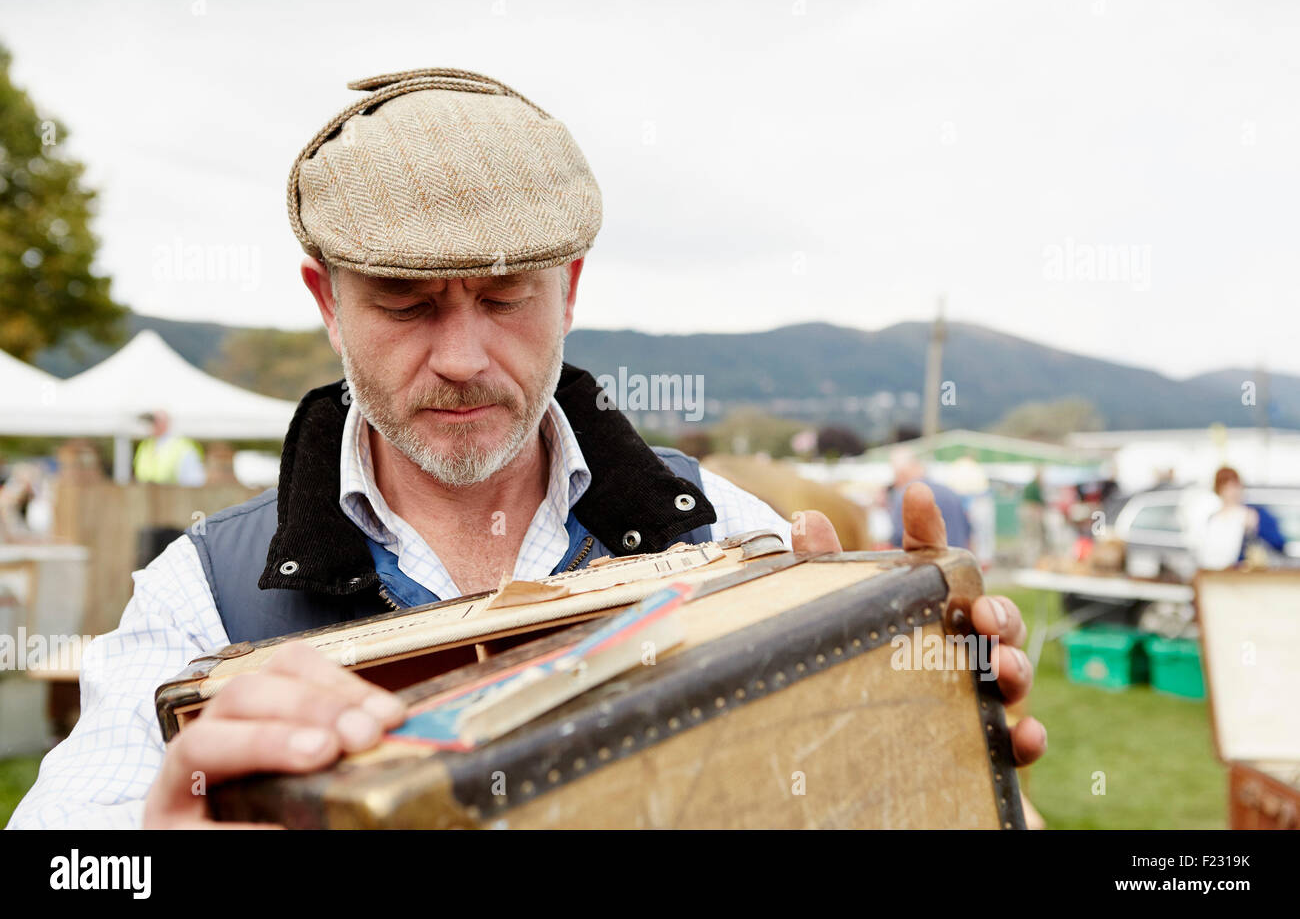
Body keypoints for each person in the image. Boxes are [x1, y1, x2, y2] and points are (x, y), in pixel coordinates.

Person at [9, 68, 1043, 829]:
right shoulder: (197, 594)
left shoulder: (742, 537)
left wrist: (927, 741)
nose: (462, 356)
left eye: (505, 297)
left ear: (572, 289)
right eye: (405, 303)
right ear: (326, 300)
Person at [1196, 466, 1287, 570]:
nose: (1232, 492)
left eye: (1235, 486)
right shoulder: (1213, 519)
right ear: (1218, 490)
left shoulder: (1254, 514)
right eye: (1226, 487)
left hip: (1241, 577)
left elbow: (1279, 544)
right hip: (1214, 575)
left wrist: (1257, 527)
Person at [887, 449, 972, 550]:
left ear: (901, 473)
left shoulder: (904, 496)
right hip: (956, 561)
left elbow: (898, 539)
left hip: (925, 563)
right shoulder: (950, 492)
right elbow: (968, 533)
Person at [132, 410, 206, 487]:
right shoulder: (145, 446)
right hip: (147, 496)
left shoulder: (182, 447)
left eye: (154, 421)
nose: (149, 425)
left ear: (164, 422)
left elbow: (194, 481)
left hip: (174, 496)